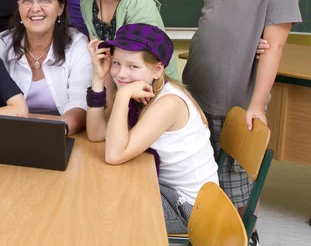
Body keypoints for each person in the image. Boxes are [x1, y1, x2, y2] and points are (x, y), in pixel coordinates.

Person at [182, 0, 302, 246]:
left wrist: (256, 105)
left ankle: (242, 236)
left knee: (236, 185)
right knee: (198, 179)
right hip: (197, 94)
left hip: (236, 101)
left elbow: (274, 46)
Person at [86, 23, 218, 234]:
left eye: (133, 66)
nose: (121, 74)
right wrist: (98, 78)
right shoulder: (141, 90)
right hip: (167, 189)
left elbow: (114, 154)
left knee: (103, 209)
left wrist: (122, 96)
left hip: (191, 209)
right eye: (117, 63)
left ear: (157, 70)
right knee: (96, 188)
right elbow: (96, 134)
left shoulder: (168, 103)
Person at [0, 0, 92, 136]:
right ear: (19, 7)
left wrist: (51, 133)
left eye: (44, 0)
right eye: (27, 0)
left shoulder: (78, 45)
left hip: (61, 135)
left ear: (60, 7)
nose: (35, 8)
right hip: (7, 134)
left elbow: (80, 104)